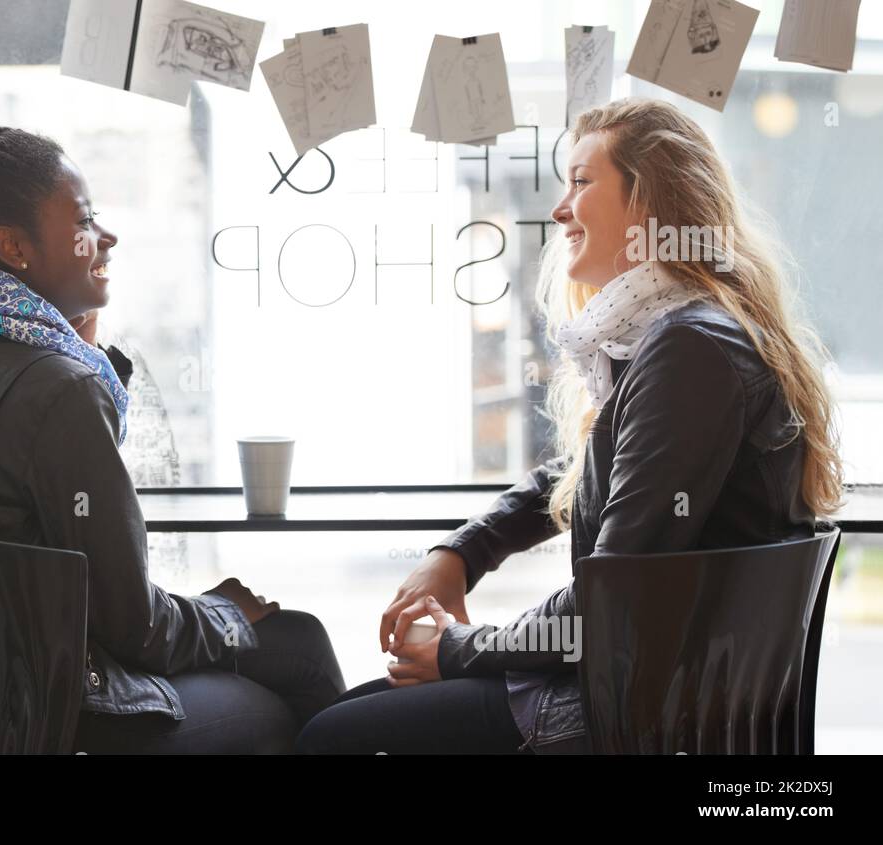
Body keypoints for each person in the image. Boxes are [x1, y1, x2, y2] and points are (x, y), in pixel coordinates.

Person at [297, 97, 844, 754]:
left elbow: (611, 597)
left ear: (650, 203)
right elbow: (592, 473)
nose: (559, 209)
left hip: (634, 716)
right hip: (657, 700)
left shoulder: (689, 350)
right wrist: (464, 551)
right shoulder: (697, 335)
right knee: (351, 713)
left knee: (334, 734)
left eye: (581, 182)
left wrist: (457, 647)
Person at [0, 91, 345, 753]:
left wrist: (83, 354)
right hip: (70, 712)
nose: (107, 236)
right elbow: (139, 630)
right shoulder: (59, 387)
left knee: (284, 639)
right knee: (297, 645)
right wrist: (222, 612)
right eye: (83, 219)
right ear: (14, 246)